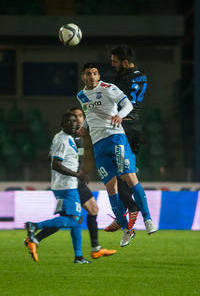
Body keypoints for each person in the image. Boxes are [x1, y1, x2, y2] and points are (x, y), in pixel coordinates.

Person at [77, 62, 157, 247]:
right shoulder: (81, 95)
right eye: (88, 74)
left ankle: (148, 219)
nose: (92, 76)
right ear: (83, 76)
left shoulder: (109, 88)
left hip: (115, 138)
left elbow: (127, 104)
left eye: (95, 73)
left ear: (98, 76)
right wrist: (84, 126)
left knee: (129, 177)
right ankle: (127, 230)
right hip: (98, 145)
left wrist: (120, 116)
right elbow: (90, 114)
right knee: (111, 188)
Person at [24, 112, 91, 264]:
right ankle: (34, 226)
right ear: (63, 124)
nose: (73, 123)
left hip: (65, 184)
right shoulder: (62, 140)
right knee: (74, 220)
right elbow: (56, 164)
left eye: (75, 120)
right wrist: (76, 174)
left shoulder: (67, 138)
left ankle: (79, 256)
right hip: (66, 185)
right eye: (69, 121)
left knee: (74, 219)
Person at [105, 44, 152, 233]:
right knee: (128, 171)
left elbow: (114, 100)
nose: (113, 65)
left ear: (125, 62)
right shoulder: (143, 76)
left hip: (121, 126)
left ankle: (130, 210)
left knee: (115, 173)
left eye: (115, 62)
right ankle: (122, 216)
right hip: (136, 127)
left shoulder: (121, 78)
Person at [69, 107, 116, 258]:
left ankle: (95, 249)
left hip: (76, 180)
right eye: (75, 116)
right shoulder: (67, 137)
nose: (78, 118)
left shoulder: (80, 137)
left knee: (91, 211)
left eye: (80, 115)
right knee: (70, 219)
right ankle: (34, 235)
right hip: (69, 182)